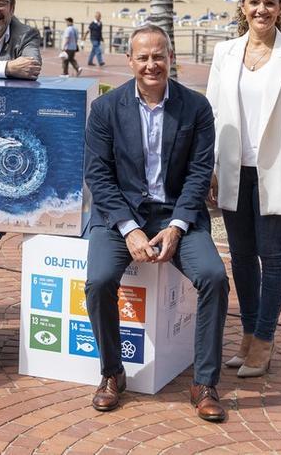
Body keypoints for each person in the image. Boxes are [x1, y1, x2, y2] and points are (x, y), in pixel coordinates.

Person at [83, 24, 229, 422]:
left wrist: (178, 225)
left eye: (159, 56)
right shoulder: (106, 109)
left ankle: (203, 382)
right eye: (143, 57)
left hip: (177, 214)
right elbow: (98, 176)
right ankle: (112, 373)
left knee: (214, 277)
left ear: (171, 59)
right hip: (119, 217)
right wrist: (129, 229)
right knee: (97, 281)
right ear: (129, 61)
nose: (152, 64)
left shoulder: (195, 108)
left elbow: (200, 173)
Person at [205, 0, 281, 378]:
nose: (261, 9)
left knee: (272, 257)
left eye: (270, 3)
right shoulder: (224, 53)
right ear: (242, 6)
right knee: (240, 258)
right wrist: (212, 169)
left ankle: (265, 340)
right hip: (234, 172)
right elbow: (212, 116)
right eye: (254, 2)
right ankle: (248, 334)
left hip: (279, 174)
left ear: (280, 8)